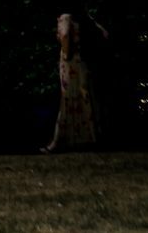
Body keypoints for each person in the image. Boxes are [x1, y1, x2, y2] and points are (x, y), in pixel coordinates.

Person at [40, 11, 106, 152]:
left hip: (70, 63)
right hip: (83, 62)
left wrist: (66, 52)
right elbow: (104, 34)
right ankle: (91, 137)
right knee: (86, 97)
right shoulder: (86, 19)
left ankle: (61, 140)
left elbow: (64, 35)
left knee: (68, 98)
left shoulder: (65, 18)